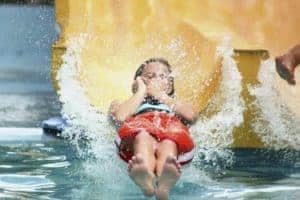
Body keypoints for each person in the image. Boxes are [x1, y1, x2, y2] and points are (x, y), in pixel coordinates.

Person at [108, 58, 197, 200]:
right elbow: (120, 118)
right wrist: (140, 92)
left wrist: (160, 95)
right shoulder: (126, 103)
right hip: (138, 130)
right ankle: (145, 178)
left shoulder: (175, 103)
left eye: (162, 76)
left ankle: (164, 184)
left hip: (170, 129)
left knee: (168, 143)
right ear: (136, 83)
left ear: (170, 85)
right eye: (149, 76)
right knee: (143, 137)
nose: (155, 80)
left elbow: (191, 116)